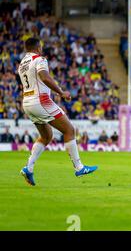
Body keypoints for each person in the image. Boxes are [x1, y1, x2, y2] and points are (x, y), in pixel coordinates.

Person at [18, 38, 97, 186]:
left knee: (47, 136)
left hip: (27, 102)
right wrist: (61, 93)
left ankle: (28, 168)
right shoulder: (39, 59)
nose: (41, 49)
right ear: (37, 48)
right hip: (40, 100)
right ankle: (79, 167)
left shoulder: (22, 64)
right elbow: (44, 77)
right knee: (69, 130)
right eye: (40, 46)